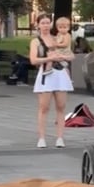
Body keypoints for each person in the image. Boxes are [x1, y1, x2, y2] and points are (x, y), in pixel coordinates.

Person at [29, 13, 74, 149]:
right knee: (44, 107)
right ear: (38, 25)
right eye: (43, 23)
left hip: (59, 73)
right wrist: (49, 59)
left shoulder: (58, 38)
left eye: (48, 23)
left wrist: (66, 57)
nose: (46, 26)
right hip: (46, 74)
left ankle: (60, 137)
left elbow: (70, 53)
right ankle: (41, 138)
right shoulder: (36, 41)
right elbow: (33, 60)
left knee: (61, 106)